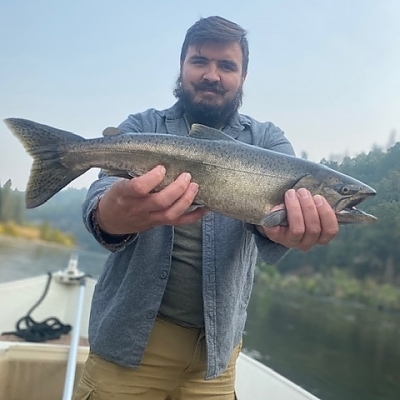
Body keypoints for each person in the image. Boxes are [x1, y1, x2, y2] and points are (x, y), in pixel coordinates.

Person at [73, 16, 339, 400]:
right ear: (181, 68)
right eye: (200, 61)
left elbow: (275, 218)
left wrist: (284, 228)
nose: (211, 75)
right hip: (128, 347)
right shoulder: (142, 126)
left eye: (226, 65)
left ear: (243, 76)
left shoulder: (268, 141)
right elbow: (101, 198)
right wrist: (112, 214)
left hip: (216, 359)